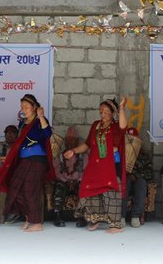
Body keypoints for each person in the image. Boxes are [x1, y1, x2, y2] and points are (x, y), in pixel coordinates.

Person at [63, 98, 128, 234]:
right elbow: (87, 144)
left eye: (106, 112)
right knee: (89, 189)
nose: (102, 114)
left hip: (110, 165)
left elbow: (123, 126)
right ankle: (95, 219)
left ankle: (115, 225)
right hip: (95, 164)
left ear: (113, 113)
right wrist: (73, 151)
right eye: (101, 111)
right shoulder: (96, 125)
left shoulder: (116, 127)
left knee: (111, 192)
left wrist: (121, 108)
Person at [0, 94, 52, 232]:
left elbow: (48, 134)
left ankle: (37, 223)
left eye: (26, 107)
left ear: (34, 107)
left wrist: (41, 116)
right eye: (22, 107)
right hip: (24, 160)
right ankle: (28, 218)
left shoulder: (39, 122)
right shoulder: (22, 124)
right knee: (15, 186)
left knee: (30, 190)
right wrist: (7, 159)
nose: (24, 109)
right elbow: (18, 145)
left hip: (37, 161)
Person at [50, 126, 84, 227]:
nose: (70, 142)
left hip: (77, 182)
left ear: (77, 142)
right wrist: (65, 180)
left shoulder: (82, 156)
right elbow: (56, 171)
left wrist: (77, 180)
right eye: (68, 140)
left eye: (72, 140)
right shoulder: (60, 156)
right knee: (59, 188)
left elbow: (85, 171)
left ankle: (82, 217)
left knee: (83, 189)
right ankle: (57, 216)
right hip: (64, 182)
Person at [123, 128, 153, 228]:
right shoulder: (121, 153)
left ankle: (135, 216)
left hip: (138, 180)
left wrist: (136, 176)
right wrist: (127, 174)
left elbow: (149, 173)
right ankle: (121, 216)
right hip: (126, 179)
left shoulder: (144, 155)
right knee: (124, 182)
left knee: (142, 183)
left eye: (134, 140)